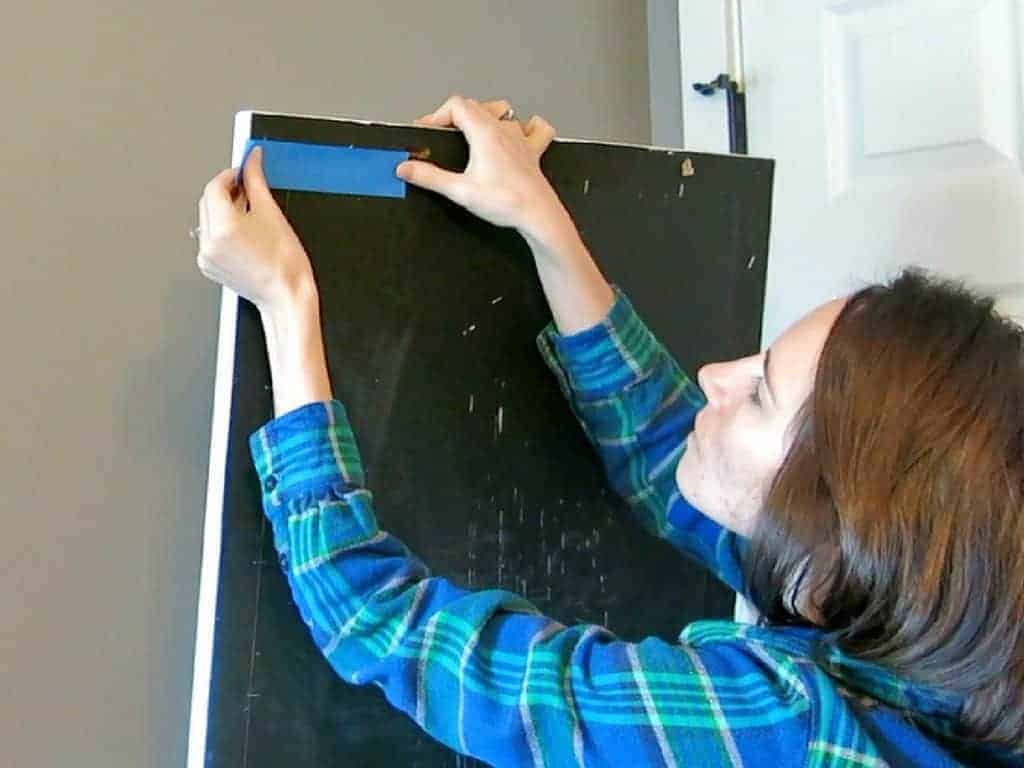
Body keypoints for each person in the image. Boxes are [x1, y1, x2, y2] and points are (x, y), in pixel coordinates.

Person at [196, 95, 1024, 767]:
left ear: (833, 521)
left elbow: (385, 625)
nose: (716, 377)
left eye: (763, 396)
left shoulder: (777, 735)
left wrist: (286, 303)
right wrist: (544, 226)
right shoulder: (932, 630)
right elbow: (672, 453)